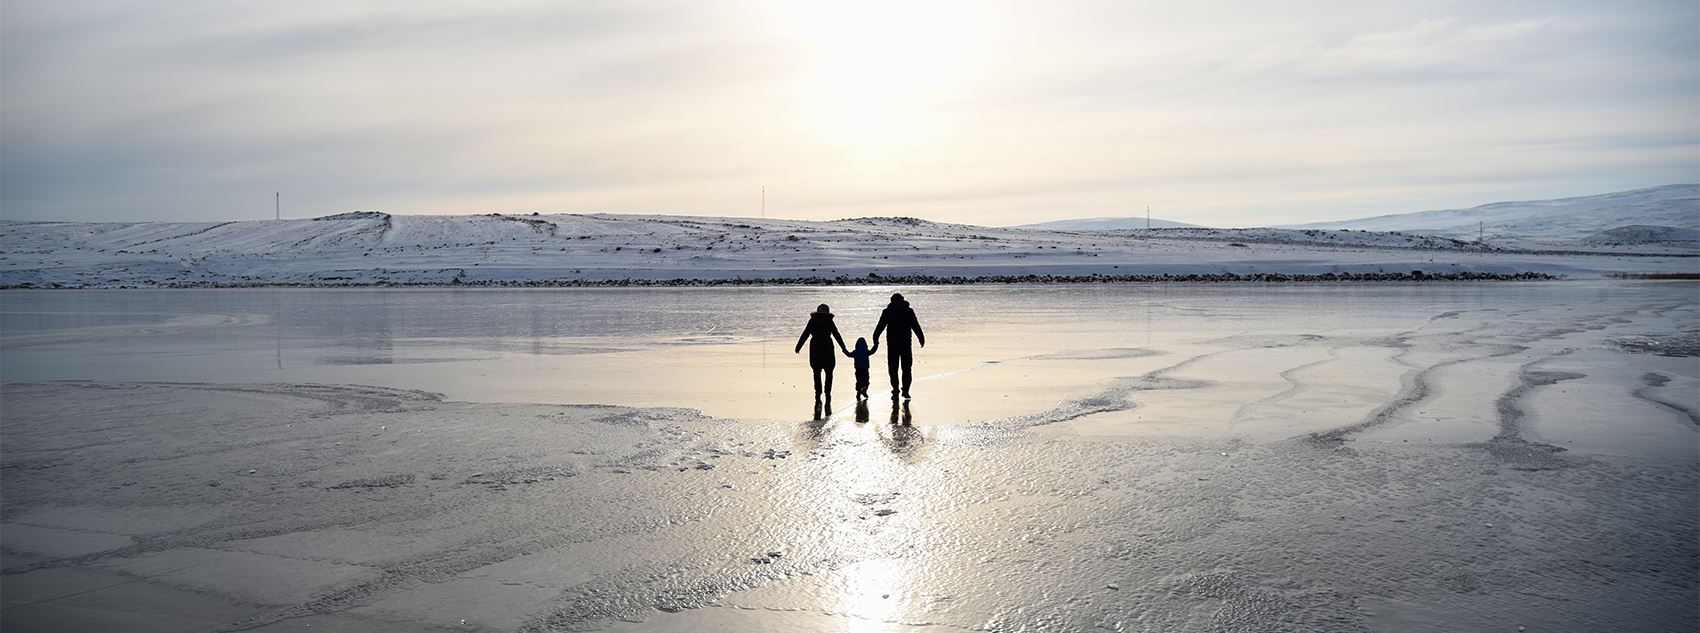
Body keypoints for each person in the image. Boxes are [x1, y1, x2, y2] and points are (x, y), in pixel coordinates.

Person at [871, 292, 925, 400]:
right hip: (905, 344)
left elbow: (880, 326)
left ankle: (895, 390)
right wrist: (921, 338)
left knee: (893, 369)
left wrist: (875, 339)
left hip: (892, 344)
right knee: (907, 369)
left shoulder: (887, 311)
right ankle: (905, 391)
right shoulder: (908, 311)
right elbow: (915, 325)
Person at [794, 303, 848, 402]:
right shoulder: (829, 320)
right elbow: (836, 334)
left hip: (815, 346)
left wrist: (798, 346)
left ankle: (818, 393)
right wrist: (843, 347)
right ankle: (828, 393)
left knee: (816, 372)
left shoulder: (813, 320)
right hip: (827, 346)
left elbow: (805, 333)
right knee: (829, 372)